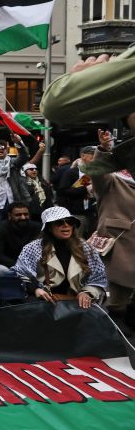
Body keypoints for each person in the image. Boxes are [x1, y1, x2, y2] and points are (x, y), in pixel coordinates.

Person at [12, 206, 107, 309]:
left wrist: (87, 292)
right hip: (45, 302)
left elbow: (99, 277)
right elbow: (20, 275)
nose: (66, 225)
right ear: (49, 227)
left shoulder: (85, 247)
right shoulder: (33, 248)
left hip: (77, 303)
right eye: (59, 222)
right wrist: (35, 289)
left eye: (70, 221)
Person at [89, 129, 135, 327]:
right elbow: (98, 175)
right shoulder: (113, 180)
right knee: (118, 300)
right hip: (121, 246)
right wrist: (103, 150)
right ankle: (115, 332)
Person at [0, 136, 32, 263]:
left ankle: (15, 260)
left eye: (3, 148)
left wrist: (18, 143)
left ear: (7, 150)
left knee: (14, 233)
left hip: (12, 204)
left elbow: (25, 156)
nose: (0, 149)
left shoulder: (12, 164)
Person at [0, 202, 41, 277]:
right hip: (11, 265)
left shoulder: (37, 227)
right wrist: (20, 265)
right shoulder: (1, 229)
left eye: (26, 214)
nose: (23, 217)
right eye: (18, 215)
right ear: (9, 216)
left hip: (33, 266)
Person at [56, 146, 97, 237]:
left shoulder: (96, 172)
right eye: (92, 155)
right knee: (76, 239)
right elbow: (63, 190)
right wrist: (85, 189)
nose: (95, 158)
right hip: (76, 213)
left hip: (92, 212)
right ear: (83, 156)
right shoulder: (71, 172)